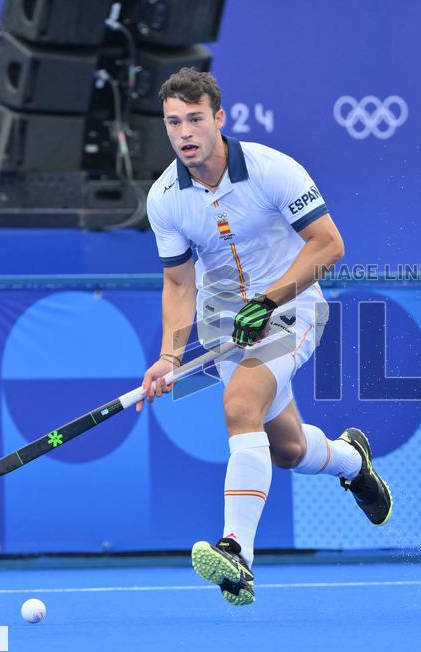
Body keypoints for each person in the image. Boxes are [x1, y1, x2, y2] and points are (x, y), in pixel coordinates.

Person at [139, 68, 393, 606]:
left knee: (239, 404)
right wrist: (168, 356)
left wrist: (269, 301)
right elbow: (179, 282)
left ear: (219, 118)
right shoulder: (163, 197)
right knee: (287, 448)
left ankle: (237, 553)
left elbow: (328, 244)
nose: (184, 133)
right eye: (173, 123)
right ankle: (352, 462)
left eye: (194, 119)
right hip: (222, 323)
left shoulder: (273, 169)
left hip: (290, 307)